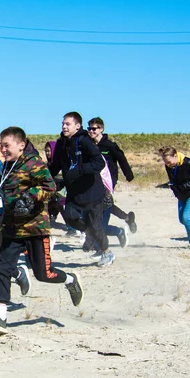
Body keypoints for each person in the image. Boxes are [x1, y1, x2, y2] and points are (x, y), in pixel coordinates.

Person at [0, 127, 83, 335]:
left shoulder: (33, 163)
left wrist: (30, 196)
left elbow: (50, 186)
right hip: (11, 228)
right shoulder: (7, 166)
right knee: (3, 268)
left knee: (44, 274)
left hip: (35, 228)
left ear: (21, 145)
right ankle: (1, 316)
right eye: (1, 145)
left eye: (7, 145)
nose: (3, 149)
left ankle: (70, 280)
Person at [49, 112, 115, 267]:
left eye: (68, 124)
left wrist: (79, 170)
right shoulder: (61, 144)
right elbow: (55, 165)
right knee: (71, 217)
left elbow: (99, 163)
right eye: (63, 124)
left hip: (93, 191)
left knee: (96, 225)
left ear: (77, 126)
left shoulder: (85, 141)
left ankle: (107, 252)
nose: (64, 126)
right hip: (74, 191)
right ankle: (89, 232)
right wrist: (44, 177)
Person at [87, 117, 138, 234]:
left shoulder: (109, 145)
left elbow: (122, 159)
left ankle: (103, 231)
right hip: (95, 179)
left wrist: (128, 175)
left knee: (104, 203)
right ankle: (127, 218)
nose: (91, 131)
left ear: (101, 129)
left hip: (109, 180)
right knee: (104, 204)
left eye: (94, 129)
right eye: (89, 128)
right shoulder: (89, 145)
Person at [159, 146, 190, 248]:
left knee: (186, 217)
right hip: (182, 194)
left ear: (175, 156)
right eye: (166, 162)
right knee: (182, 219)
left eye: (169, 161)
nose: (168, 164)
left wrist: (184, 186)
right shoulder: (168, 166)